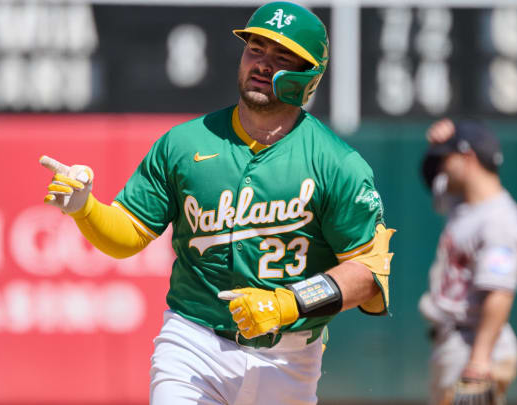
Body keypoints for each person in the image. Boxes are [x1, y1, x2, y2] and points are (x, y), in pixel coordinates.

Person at [39, 2, 395, 404]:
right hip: (193, 341)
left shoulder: (337, 163)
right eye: (256, 49)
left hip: (289, 357)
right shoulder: (185, 143)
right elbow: (130, 234)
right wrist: (85, 209)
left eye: (282, 56)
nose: (263, 63)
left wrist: (289, 303)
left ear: (309, 75)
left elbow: (368, 274)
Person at [418, 119, 517, 405]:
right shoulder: (462, 201)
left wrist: (479, 360)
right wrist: (437, 145)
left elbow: (499, 294)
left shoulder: (500, 222)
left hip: (475, 346)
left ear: (467, 158)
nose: (442, 165)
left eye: (447, 157)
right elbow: (431, 177)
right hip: (455, 343)